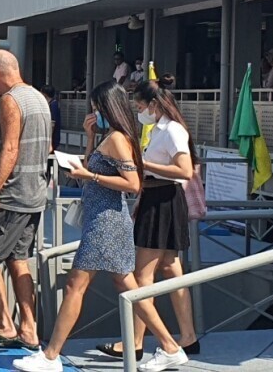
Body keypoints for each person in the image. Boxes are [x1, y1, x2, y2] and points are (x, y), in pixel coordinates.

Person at [13, 81, 188, 372]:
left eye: (97, 108)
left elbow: (131, 185)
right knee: (129, 287)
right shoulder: (112, 137)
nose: (94, 113)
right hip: (103, 218)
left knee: (75, 285)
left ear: (108, 107)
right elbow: (89, 170)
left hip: (106, 222)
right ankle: (170, 347)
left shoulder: (119, 139)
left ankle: (51, 355)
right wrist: (90, 138)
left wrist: (91, 176)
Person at [102, 80, 199, 364]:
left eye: (141, 106)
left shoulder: (171, 130)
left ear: (154, 104)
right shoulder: (159, 130)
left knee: (143, 276)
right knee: (171, 268)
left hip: (163, 201)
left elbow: (184, 170)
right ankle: (188, 335)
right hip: (159, 199)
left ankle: (135, 342)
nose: (138, 110)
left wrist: (142, 166)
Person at [0, 50, 49, 351]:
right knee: (19, 260)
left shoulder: (10, 100)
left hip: (13, 195)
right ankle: (29, 328)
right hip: (35, 194)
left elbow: (11, 149)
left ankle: (4, 324)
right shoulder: (39, 98)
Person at [40, 85, 61, 151]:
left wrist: (49, 141)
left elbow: (52, 123)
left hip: (52, 138)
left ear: (44, 94)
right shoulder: (52, 104)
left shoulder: (53, 105)